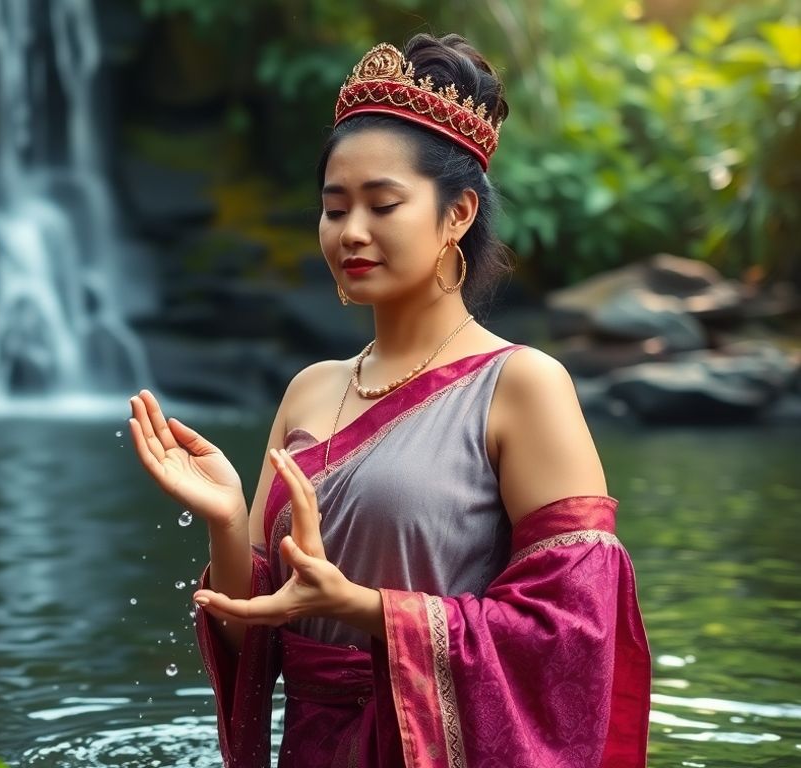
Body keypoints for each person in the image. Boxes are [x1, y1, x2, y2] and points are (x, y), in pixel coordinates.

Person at [127, 33, 650, 768]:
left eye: (383, 204)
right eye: (334, 208)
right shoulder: (309, 389)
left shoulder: (523, 385)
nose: (352, 232)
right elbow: (259, 639)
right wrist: (226, 518)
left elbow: (573, 630)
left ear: (459, 213)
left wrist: (365, 609)